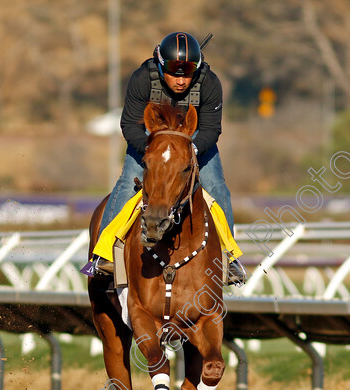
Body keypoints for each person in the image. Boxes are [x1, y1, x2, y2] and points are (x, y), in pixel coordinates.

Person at [95, 31, 246, 285]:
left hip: (194, 140)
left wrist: (192, 152)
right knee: (125, 185)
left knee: (217, 187)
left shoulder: (210, 83)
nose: (181, 80)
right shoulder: (142, 78)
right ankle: (102, 253)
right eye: (174, 72)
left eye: (187, 72)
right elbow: (129, 124)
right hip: (150, 138)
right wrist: (154, 150)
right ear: (160, 64)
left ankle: (228, 260)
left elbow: (211, 130)